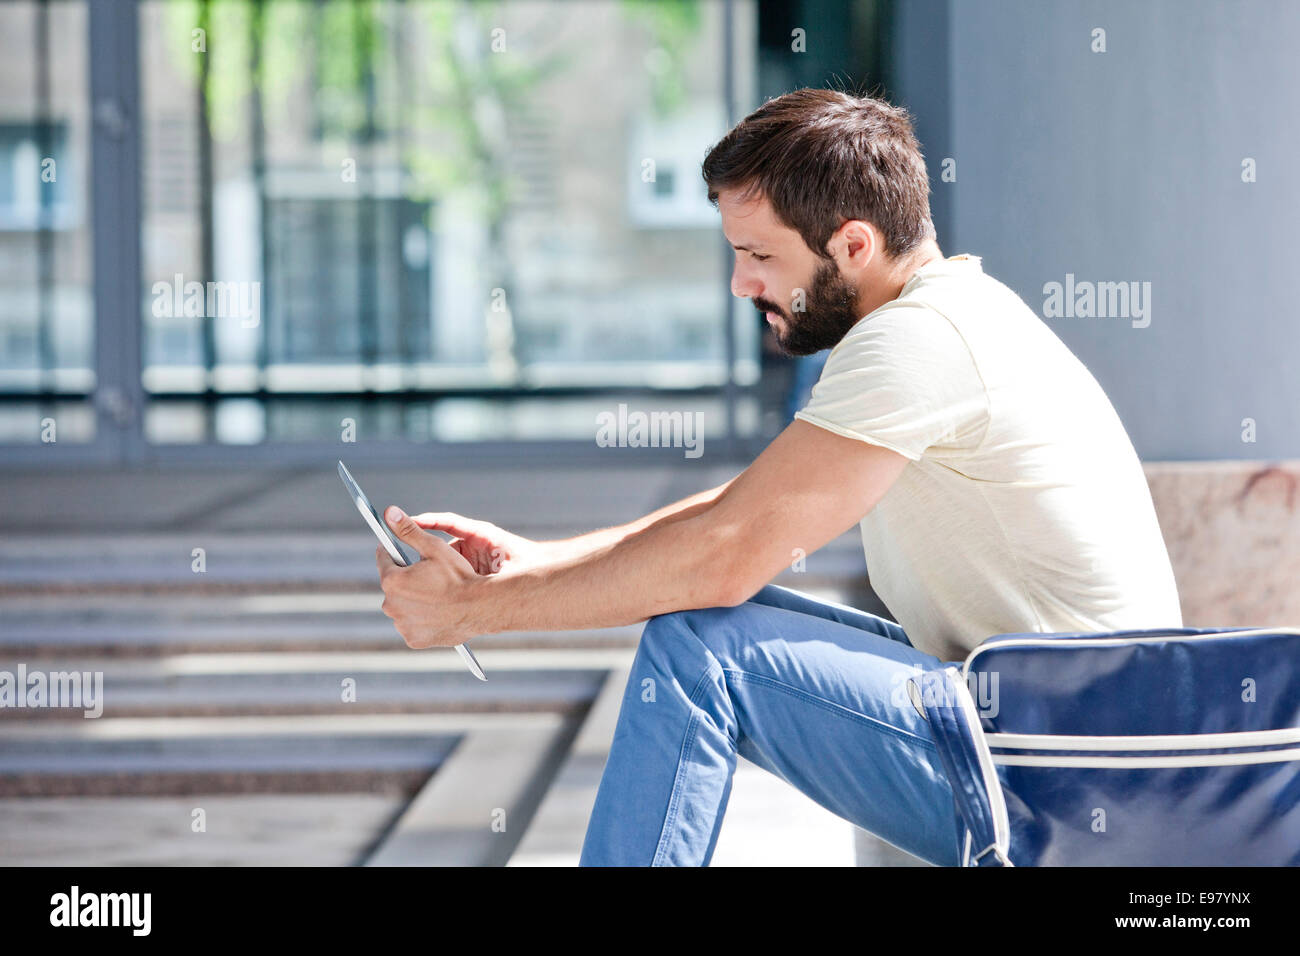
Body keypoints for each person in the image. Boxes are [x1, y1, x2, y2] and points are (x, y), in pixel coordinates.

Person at [371, 88, 1184, 866]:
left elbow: (723, 556)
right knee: (713, 624)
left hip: (1066, 780)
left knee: (701, 643)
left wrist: (479, 611)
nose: (741, 283)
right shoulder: (944, 312)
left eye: (759, 255)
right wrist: (535, 561)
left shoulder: (918, 341)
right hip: (1053, 739)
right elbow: (744, 508)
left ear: (852, 245)